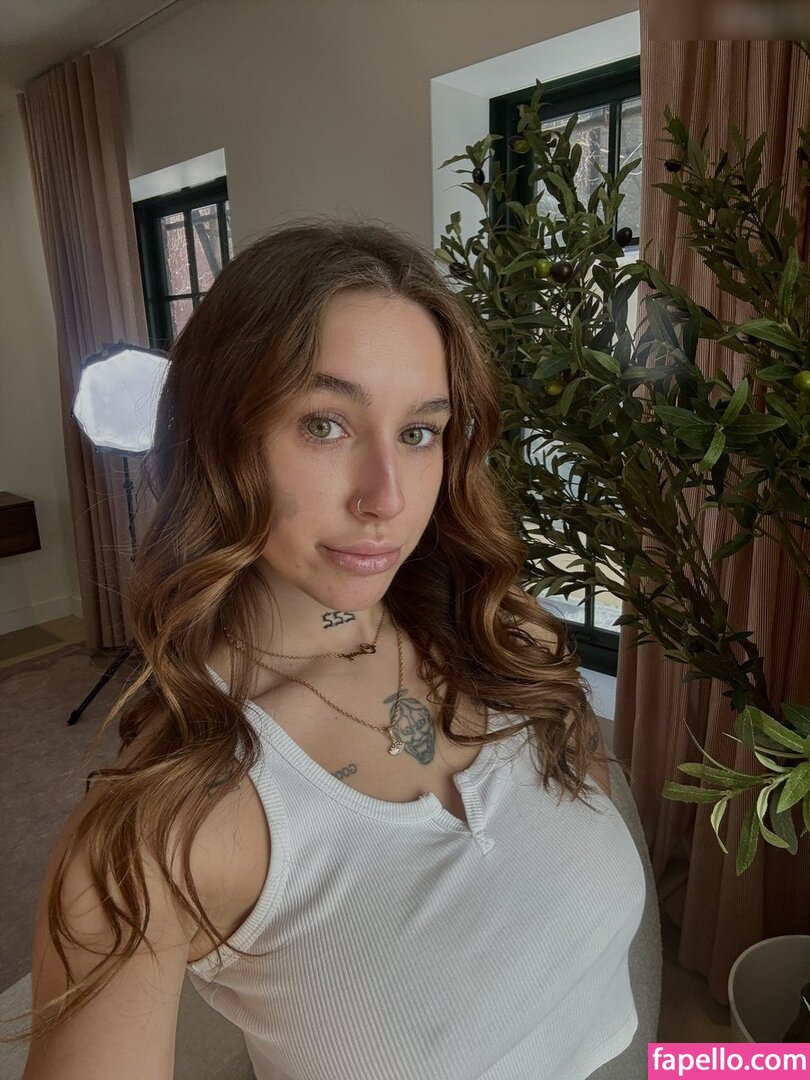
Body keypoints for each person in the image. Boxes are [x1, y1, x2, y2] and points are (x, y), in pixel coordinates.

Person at [19, 219, 646, 1080]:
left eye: (419, 432)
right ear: (215, 437)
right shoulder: (160, 834)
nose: (386, 498)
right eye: (324, 424)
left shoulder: (515, 642)